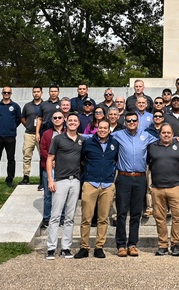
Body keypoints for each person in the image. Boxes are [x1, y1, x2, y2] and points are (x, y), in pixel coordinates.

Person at [110, 112, 158, 257]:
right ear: (125, 122)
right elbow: (101, 136)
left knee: (136, 213)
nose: (131, 122)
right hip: (123, 177)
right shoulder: (118, 134)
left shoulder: (146, 135)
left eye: (134, 120)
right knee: (122, 213)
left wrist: (178, 138)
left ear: (138, 122)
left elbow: (163, 139)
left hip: (140, 178)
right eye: (129, 120)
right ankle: (121, 245)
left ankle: (132, 244)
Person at [76, 119, 119, 259]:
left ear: (109, 130)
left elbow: (116, 160)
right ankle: (84, 246)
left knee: (103, 218)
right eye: (100, 128)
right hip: (90, 183)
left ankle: (99, 246)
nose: (102, 130)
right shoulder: (88, 143)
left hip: (107, 184)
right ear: (97, 128)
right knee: (86, 218)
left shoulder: (114, 143)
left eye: (105, 128)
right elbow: (81, 159)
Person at [45, 114, 84, 259]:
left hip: (75, 181)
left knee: (70, 216)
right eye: (71, 120)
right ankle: (51, 247)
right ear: (66, 122)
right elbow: (49, 159)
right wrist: (50, 179)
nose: (73, 122)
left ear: (79, 123)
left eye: (76, 120)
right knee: (55, 216)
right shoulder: (58, 139)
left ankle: (66, 247)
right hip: (60, 180)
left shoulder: (82, 140)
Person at [147, 123, 179, 256]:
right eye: (164, 132)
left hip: (174, 187)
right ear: (159, 134)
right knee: (159, 218)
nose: (166, 135)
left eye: (169, 133)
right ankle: (163, 245)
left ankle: (175, 245)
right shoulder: (152, 147)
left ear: (173, 134)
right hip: (157, 188)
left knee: (177, 217)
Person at [0, 86, 22, 189]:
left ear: (11, 94)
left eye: (8, 92)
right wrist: (0, 127)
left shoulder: (15, 106)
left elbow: (18, 120)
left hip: (10, 136)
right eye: (5, 92)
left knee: (11, 159)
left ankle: (10, 180)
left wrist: (11, 127)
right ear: (2, 93)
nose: (6, 94)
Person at [38, 111, 66, 222]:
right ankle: (46, 218)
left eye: (60, 117)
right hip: (48, 167)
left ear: (64, 119)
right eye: (55, 118)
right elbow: (43, 149)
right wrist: (51, 160)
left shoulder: (68, 133)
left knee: (63, 194)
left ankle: (62, 218)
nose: (57, 119)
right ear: (52, 120)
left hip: (63, 169)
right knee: (48, 195)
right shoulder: (46, 134)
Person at [20, 86, 44, 185]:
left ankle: (43, 177)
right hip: (29, 134)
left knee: (43, 156)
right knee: (27, 155)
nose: (36, 93)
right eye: (34, 92)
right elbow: (22, 118)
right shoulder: (27, 106)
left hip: (41, 134)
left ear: (41, 93)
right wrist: (28, 125)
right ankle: (26, 177)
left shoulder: (45, 105)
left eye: (38, 92)